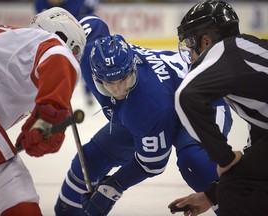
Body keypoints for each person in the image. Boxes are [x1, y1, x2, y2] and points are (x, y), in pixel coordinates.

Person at [54, 15, 232, 216]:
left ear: (133, 66)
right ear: (94, 74)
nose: (118, 89)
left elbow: (153, 163)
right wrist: (55, 48)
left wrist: (114, 186)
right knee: (89, 160)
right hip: (146, 110)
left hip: (201, 102)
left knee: (194, 161)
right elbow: (92, 24)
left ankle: (238, 208)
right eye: (109, 84)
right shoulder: (89, 54)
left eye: (124, 79)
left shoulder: (149, 105)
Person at [0, 7, 86, 216]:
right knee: (7, 177)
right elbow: (60, 55)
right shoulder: (47, 43)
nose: (73, 57)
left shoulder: (11, 48)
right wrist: (47, 119)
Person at [169, 0, 268, 215]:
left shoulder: (222, 51)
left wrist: (225, 158)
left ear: (205, 41)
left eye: (189, 44)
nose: (190, 54)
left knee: (235, 189)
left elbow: (186, 95)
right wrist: (211, 195)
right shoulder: (247, 52)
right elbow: (262, 137)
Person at [35, 0, 100, 106]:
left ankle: (89, 91)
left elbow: (90, 15)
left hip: (78, 37)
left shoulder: (79, 4)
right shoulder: (40, 4)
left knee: (86, 62)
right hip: (59, 40)